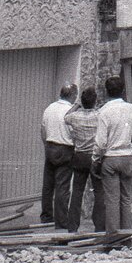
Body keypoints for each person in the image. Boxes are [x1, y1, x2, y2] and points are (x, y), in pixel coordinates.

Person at [92, 75, 132, 235]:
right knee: (126, 198)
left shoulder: (104, 112)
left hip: (111, 157)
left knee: (112, 199)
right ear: (123, 91)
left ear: (106, 92)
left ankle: (114, 235)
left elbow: (100, 143)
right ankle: (127, 233)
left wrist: (95, 159)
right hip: (128, 157)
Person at [65, 87, 105, 233]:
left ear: (82, 101)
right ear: (95, 101)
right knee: (99, 192)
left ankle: (72, 227)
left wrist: (76, 104)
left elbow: (65, 117)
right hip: (94, 156)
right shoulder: (100, 115)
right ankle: (99, 226)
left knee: (77, 192)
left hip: (80, 156)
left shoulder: (74, 116)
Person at [40, 83, 77, 229]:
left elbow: (42, 130)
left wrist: (47, 145)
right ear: (73, 95)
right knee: (62, 186)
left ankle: (46, 216)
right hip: (65, 148)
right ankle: (61, 221)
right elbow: (74, 133)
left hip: (50, 146)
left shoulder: (49, 108)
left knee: (48, 184)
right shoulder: (70, 112)